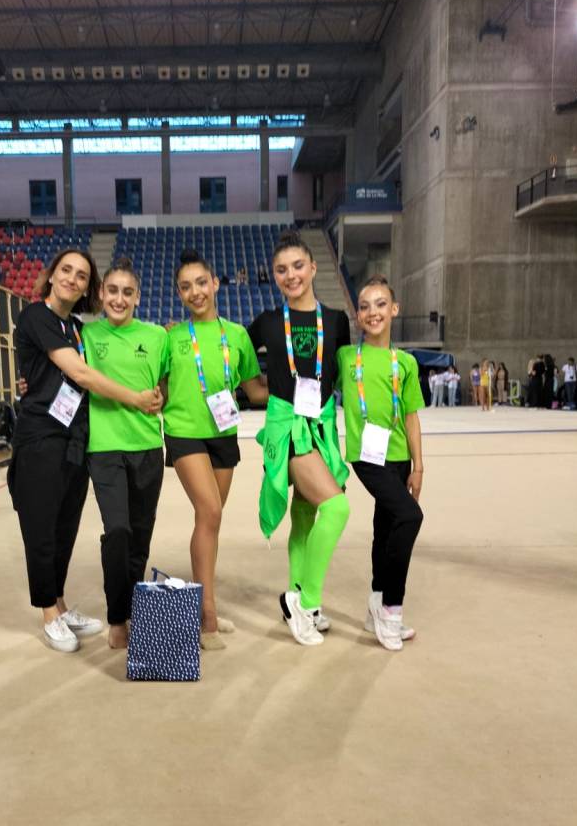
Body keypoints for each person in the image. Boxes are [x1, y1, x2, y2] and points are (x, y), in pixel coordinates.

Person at [9, 248, 162, 654]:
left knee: (65, 527)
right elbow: (79, 373)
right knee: (41, 528)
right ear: (52, 274)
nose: (72, 279)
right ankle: (48, 612)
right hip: (41, 437)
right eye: (66, 270)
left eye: (80, 275)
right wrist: (135, 398)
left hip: (75, 439)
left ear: (85, 287)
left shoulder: (76, 328)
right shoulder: (36, 316)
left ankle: (60, 603)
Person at [248, 231, 351, 647]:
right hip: (288, 430)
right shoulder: (268, 322)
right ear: (274, 276)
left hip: (321, 428)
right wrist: (257, 392)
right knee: (337, 508)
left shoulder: (338, 320)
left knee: (306, 516)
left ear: (313, 267)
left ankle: (299, 594)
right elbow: (236, 357)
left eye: (297, 266)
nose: (290, 275)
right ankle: (304, 602)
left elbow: (339, 375)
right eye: (281, 270)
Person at [163, 250, 267, 650]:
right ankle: (206, 617)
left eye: (201, 283)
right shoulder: (171, 337)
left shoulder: (237, 335)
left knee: (210, 521)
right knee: (210, 511)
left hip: (223, 432)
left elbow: (255, 390)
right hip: (184, 431)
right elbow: (158, 386)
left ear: (215, 284)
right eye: (185, 287)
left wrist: (302, 387)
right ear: (179, 293)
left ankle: (205, 601)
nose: (195, 292)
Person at [83, 258, 169, 651]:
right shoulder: (86, 334)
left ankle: (133, 609)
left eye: (127, 292)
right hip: (104, 448)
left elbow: (166, 381)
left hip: (148, 447)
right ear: (102, 293)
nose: (119, 299)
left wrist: (162, 395)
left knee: (140, 536)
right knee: (117, 531)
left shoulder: (156, 336)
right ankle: (117, 617)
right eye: (113, 291)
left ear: (138, 297)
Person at [337, 274, 424, 651]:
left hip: (399, 456)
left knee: (385, 530)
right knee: (410, 516)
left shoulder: (405, 362)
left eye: (380, 304)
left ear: (395, 309)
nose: (372, 312)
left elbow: (411, 416)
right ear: (357, 315)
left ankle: (375, 603)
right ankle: (391, 608)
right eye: (364, 306)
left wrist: (418, 466)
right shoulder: (345, 357)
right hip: (367, 456)